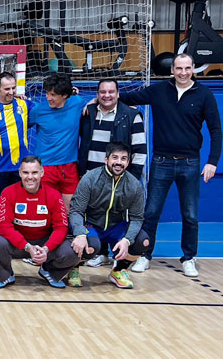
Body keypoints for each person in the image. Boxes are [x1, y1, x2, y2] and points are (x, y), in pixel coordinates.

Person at [120, 54, 222, 277]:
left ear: (194, 68)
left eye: (187, 68)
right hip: (161, 161)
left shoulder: (204, 94)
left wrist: (212, 162)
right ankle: (144, 255)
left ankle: (188, 258)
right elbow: (126, 98)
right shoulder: (159, 90)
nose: (183, 72)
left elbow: (216, 131)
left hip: (190, 163)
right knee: (152, 212)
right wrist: (94, 99)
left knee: (191, 214)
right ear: (172, 70)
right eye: (179, 68)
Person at [78, 78, 147, 267]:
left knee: (117, 215)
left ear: (118, 94)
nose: (106, 95)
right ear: (97, 94)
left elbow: (140, 150)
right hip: (91, 176)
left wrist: (131, 177)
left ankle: (118, 255)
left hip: (119, 177)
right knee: (93, 215)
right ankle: (101, 252)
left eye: (111, 92)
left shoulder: (131, 115)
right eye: (102, 92)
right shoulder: (88, 112)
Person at [0, 155, 79, 289]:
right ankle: (6, 274)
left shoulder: (54, 195)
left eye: (34, 172)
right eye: (25, 172)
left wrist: (46, 248)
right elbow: (4, 227)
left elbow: (61, 228)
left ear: (42, 172)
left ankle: (49, 271)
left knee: (74, 252)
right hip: (18, 244)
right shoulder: (8, 193)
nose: (30, 177)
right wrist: (28, 247)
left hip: (44, 244)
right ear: (20, 173)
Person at [68, 142, 150, 288]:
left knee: (143, 242)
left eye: (123, 159)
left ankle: (118, 270)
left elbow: (137, 218)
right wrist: (80, 234)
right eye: (115, 158)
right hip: (91, 225)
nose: (119, 162)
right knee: (92, 246)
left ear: (128, 162)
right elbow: (76, 210)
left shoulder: (134, 185)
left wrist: (127, 239)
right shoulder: (90, 178)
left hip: (115, 227)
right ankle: (73, 268)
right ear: (106, 160)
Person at [29, 73, 85, 209]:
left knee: (70, 211)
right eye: (47, 93)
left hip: (69, 167)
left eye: (53, 95)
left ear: (65, 95)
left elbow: (99, 102)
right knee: (46, 211)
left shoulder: (77, 103)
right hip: (46, 167)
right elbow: (19, 125)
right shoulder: (38, 110)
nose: (48, 98)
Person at [0, 72, 34, 200]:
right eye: (7, 89)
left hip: (22, 168)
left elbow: (49, 108)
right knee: (0, 208)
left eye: (13, 88)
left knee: (22, 206)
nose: (11, 92)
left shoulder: (25, 105)